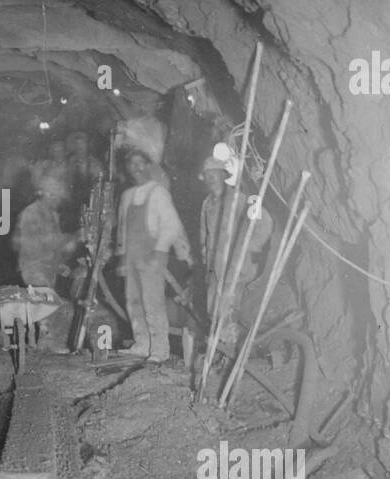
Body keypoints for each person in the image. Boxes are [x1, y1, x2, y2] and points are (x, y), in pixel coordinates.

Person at [114, 149, 193, 363]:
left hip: (152, 255)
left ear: (149, 166)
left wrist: (159, 251)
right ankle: (142, 343)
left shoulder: (158, 192)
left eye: (141, 163)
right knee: (133, 301)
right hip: (131, 256)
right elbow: (122, 228)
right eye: (132, 164)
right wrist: (121, 255)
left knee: (152, 302)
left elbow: (171, 225)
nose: (136, 168)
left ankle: (159, 349)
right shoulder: (127, 196)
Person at [199, 153, 274, 351]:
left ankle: (229, 352)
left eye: (214, 172)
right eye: (207, 173)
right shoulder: (207, 204)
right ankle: (220, 351)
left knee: (228, 310)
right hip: (215, 268)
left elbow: (264, 222)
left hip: (235, 267)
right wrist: (205, 259)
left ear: (224, 174)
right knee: (213, 310)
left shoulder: (240, 199)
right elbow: (204, 236)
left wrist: (250, 247)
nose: (210, 177)